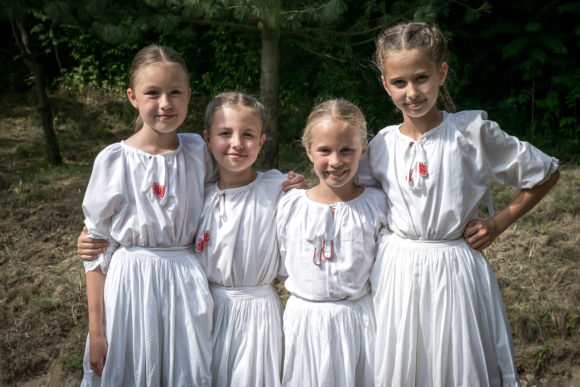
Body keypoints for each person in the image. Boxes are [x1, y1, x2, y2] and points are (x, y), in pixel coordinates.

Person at [357, 22, 559, 386]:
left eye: (422, 78)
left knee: (458, 366)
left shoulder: (471, 133)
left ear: (442, 73)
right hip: (398, 274)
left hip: (456, 272)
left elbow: (544, 173)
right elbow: (351, 192)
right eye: (399, 82)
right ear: (385, 85)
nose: (412, 92)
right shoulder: (381, 145)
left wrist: (498, 224)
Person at [80, 45, 216, 386]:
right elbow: (95, 255)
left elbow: (234, 188)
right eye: (152, 93)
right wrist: (97, 333)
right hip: (131, 287)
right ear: (132, 96)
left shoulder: (200, 151)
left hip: (185, 282)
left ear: (188, 95)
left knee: (184, 371)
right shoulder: (114, 161)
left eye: (175, 92)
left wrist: (282, 183)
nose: (165, 103)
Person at [194, 91, 304, 386]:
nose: (237, 144)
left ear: (262, 142)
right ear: (207, 139)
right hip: (207, 308)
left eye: (248, 135)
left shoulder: (278, 189)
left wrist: (302, 192)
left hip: (258, 314)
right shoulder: (198, 194)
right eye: (225, 133)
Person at [277, 99, 388, 387]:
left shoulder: (378, 205)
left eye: (346, 150)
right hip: (304, 325)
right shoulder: (291, 205)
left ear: (363, 149)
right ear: (308, 150)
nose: (336, 161)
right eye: (324, 150)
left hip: (357, 324)